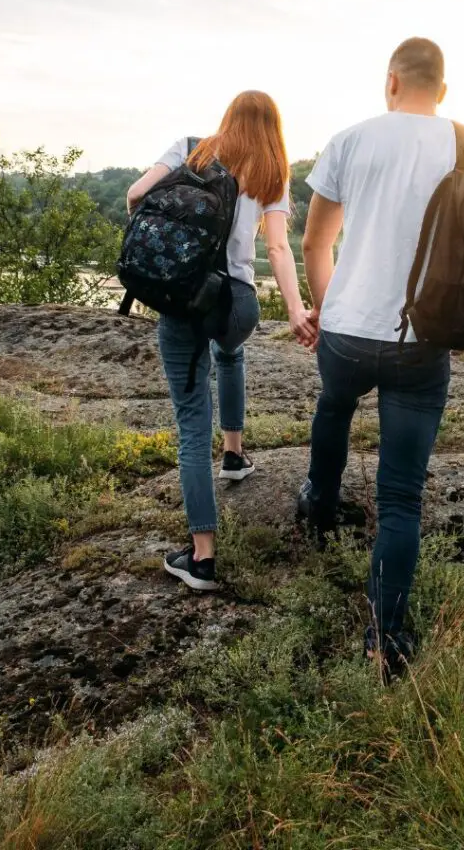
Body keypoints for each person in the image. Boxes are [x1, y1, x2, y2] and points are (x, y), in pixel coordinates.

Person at [299, 38, 464, 676]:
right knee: (400, 499)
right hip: (422, 341)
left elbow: (315, 242)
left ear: (390, 81)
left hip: (346, 332)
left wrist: (325, 310)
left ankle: (319, 505)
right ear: (441, 90)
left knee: (334, 408)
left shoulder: (350, 140)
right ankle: (385, 641)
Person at [126, 91, 317, 592]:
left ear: (228, 119)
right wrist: (297, 310)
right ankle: (234, 455)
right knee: (230, 350)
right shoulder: (271, 173)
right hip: (237, 303)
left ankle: (202, 557)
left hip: (186, 295)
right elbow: (277, 246)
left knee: (192, 423)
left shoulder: (189, 149)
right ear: (271, 130)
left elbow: (133, 195)